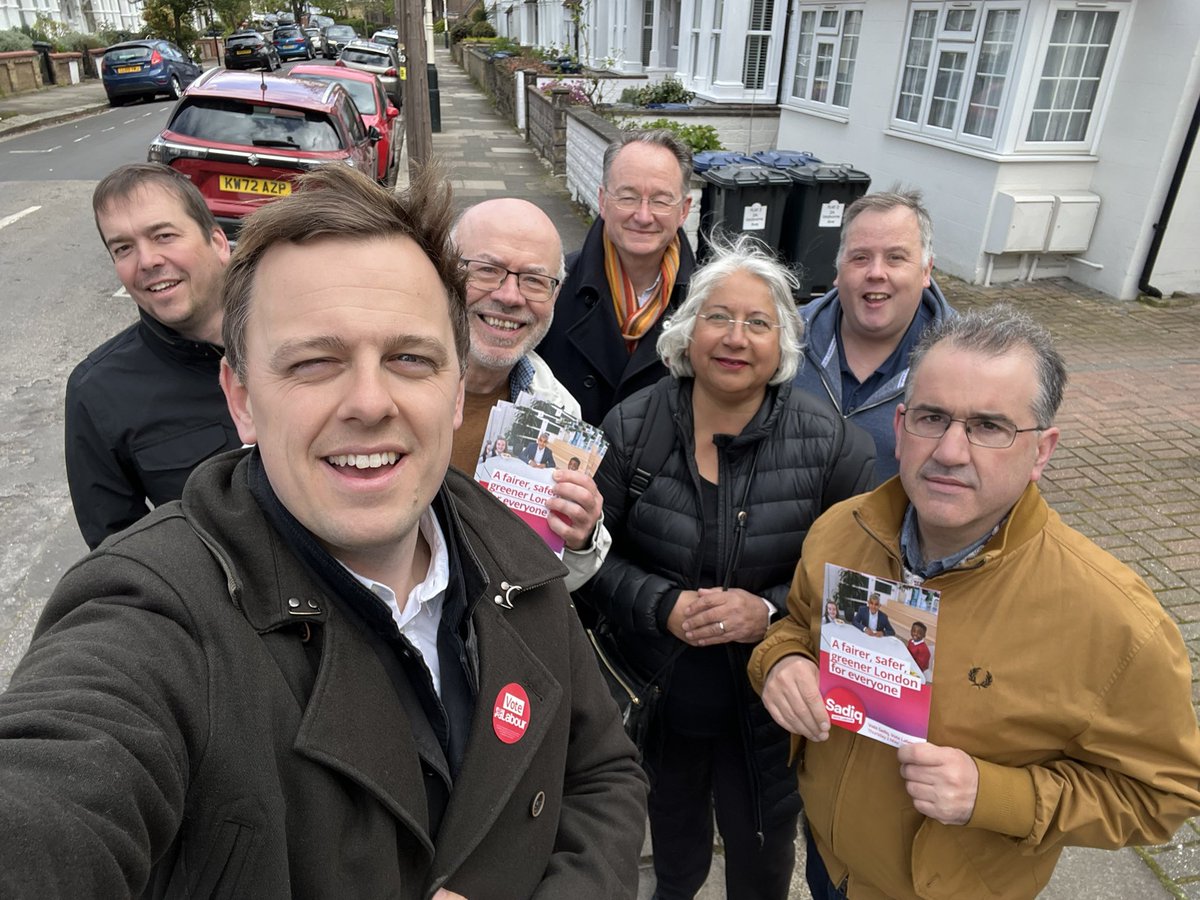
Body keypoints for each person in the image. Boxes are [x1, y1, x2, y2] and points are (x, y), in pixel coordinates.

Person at [0, 165, 648, 898]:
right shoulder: (153, 617)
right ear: (241, 400)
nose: (370, 402)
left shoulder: (508, 549)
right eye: (314, 362)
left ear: (455, 387)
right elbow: (54, 792)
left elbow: (602, 774)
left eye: (409, 358)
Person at [751, 304, 1200, 900]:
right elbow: (797, 627)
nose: (951, 451)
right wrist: (780, 663)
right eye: (933, 418)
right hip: (831, 865)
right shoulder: (841, 530)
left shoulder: (1117, 623)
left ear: (1043, 451)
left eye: (990, 427)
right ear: (901, 425)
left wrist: (996, 797)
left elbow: (1162, 794)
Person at [580, 234, 875, 900]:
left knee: (762, 858)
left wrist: (765, 609)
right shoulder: (631, 428)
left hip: (768, 716)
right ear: (688, 334)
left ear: (782, 346)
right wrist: (662, 604)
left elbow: (854, 591)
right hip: (658, 698)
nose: (736, 337)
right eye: (719, 316)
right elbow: (587, 557)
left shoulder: (834, 448)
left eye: (757, 322)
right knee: (674, 849)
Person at [65, 163, 242, 549]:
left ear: (217, 242)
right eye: (123, 248)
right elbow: (122, 553)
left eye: (163, 235)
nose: (146, 261)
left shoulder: (299, 331)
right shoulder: (98, 393)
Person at [449, 197, 609, 591]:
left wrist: (582, 540)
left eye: (535, 280)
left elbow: (559, 580)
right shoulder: (381, 382)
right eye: (487, 270)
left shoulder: (558, 409)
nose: (510, 296)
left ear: (555, 296)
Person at [536, 129, 697, 426]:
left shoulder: (707, 302)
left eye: (661, 201)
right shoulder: (551, 287)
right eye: (628, 197)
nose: (644, 216)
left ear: (684, 210)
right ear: (603, 200)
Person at [792, 190, 954, 486]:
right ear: (838, 270)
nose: (876, 272)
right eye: (860, 257)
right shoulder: (788, 337)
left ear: (926, 270)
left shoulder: (967, 362)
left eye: (895, 258)